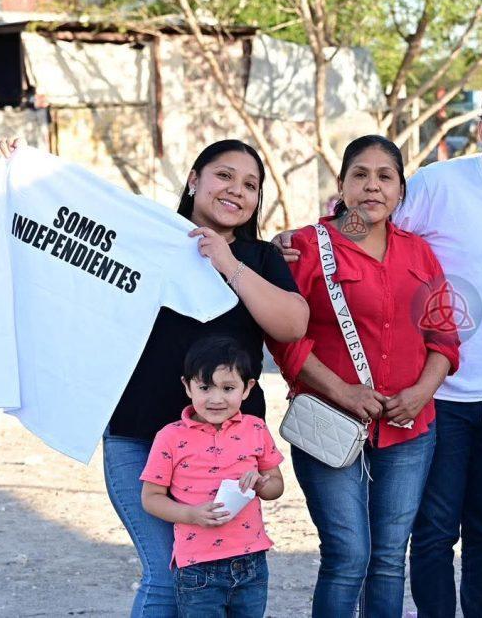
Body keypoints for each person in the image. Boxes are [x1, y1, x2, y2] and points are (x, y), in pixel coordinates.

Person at [274, 75, 482, 616]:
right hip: (424, 405)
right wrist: (295, 242)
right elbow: (294, 322)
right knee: (395, 543)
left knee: (472, 533)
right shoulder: (434, 185)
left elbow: (445, 326)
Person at [89, 139, 307, 616]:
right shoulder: (148, 240)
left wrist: (227, 262)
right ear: (193, 180)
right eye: (224, 175)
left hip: (228, 449)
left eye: (250, 185)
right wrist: (19, 177)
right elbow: (73, 230)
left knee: (214, 581)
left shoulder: (261, 258)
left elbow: (292, 324)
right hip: (139, 437)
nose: (236, 191)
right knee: (167, 574)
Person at [266, 135, 459, 618]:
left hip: (408, 428)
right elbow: (284, 338)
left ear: (400, 191)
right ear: (342, 184)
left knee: (389, 560)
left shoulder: (419, 253)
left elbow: (444, 336)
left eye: (385, 177)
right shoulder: (307, 248)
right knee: (347, 556)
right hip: (329, 421)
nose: (373, 186)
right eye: (361, 175)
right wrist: (343, 391)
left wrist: (421, 393)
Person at [140, 336, 285, 616]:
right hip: (197, 568)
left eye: (228, 388)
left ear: (247, 388)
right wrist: (191, 514)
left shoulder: (256, 429)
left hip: (252, 562)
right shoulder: (170, 437)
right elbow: (151, 498)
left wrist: (261, 484)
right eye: (205, 387)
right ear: (187, 386)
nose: (216, 399)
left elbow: (276, 486)